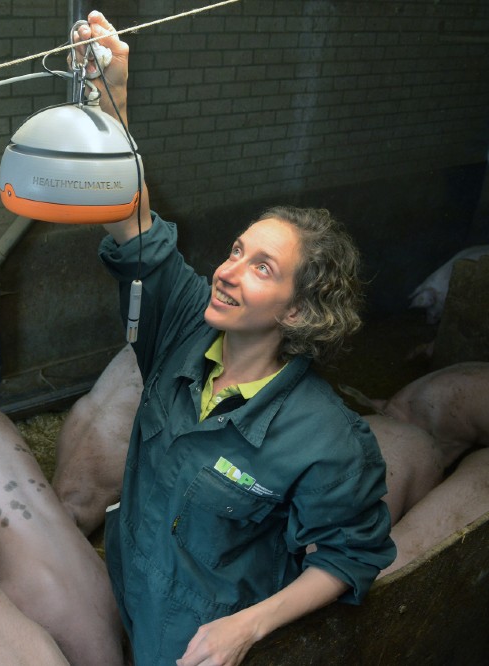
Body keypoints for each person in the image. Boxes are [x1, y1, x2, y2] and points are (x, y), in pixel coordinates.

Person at [73, 12, 395, 666]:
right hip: (133, 594)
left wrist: (247, 627)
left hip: (207, 638)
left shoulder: (327, 439)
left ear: (301, 313)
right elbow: (131, 218)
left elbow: (348, 555)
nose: (225, 271)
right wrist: (113, 96)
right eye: (236, 250)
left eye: (262, 268)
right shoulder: (183, 325)